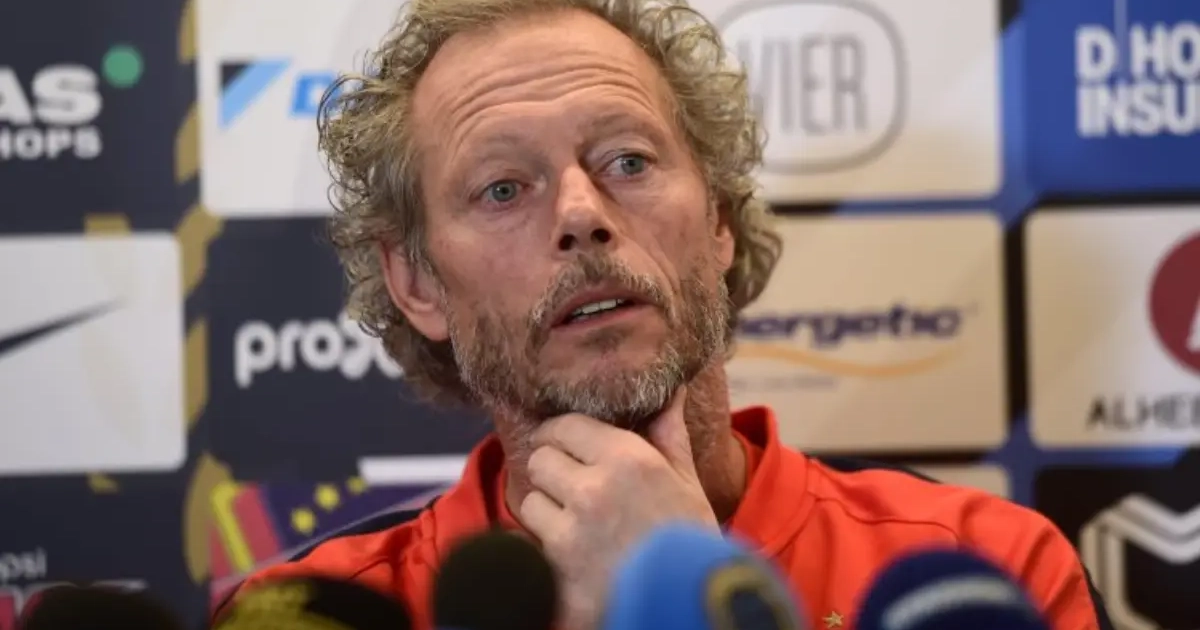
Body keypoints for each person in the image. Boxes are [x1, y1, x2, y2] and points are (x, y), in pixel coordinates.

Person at [229, 1, 1114, 629]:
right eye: (502, 188)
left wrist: (699, 595)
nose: (581, 213)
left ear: (720, 220)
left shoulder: (983, 571)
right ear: (417, 282)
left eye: (628, 161)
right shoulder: (321, 614)